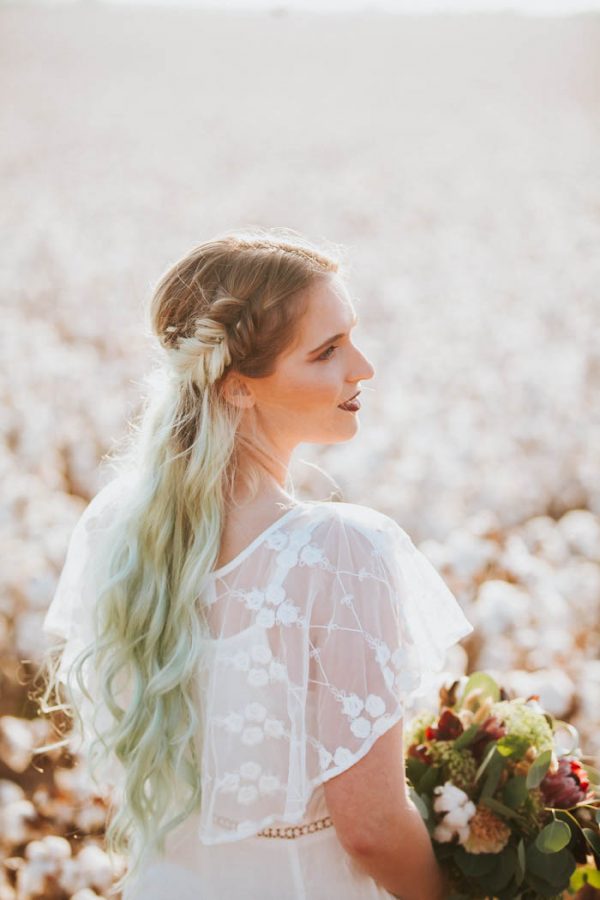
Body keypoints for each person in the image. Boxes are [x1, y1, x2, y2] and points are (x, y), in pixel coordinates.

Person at [39, 227, 473, 899]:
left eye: (351, 338)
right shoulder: (342, 552)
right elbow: (372, 828)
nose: (362, 367)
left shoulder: (116, 527)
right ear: (239, 387)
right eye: (327, 351)